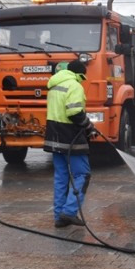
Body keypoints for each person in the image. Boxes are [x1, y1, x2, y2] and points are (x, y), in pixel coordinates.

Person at [43, 59, 97, 228]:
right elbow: (74, 112)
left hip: (54, 136)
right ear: (79, 74)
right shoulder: (74, 85)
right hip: (71, 138)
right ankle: (70, 211)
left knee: (61, 177)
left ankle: (59, 217)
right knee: (82, 175)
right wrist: (89, 126)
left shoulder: (54, 85)